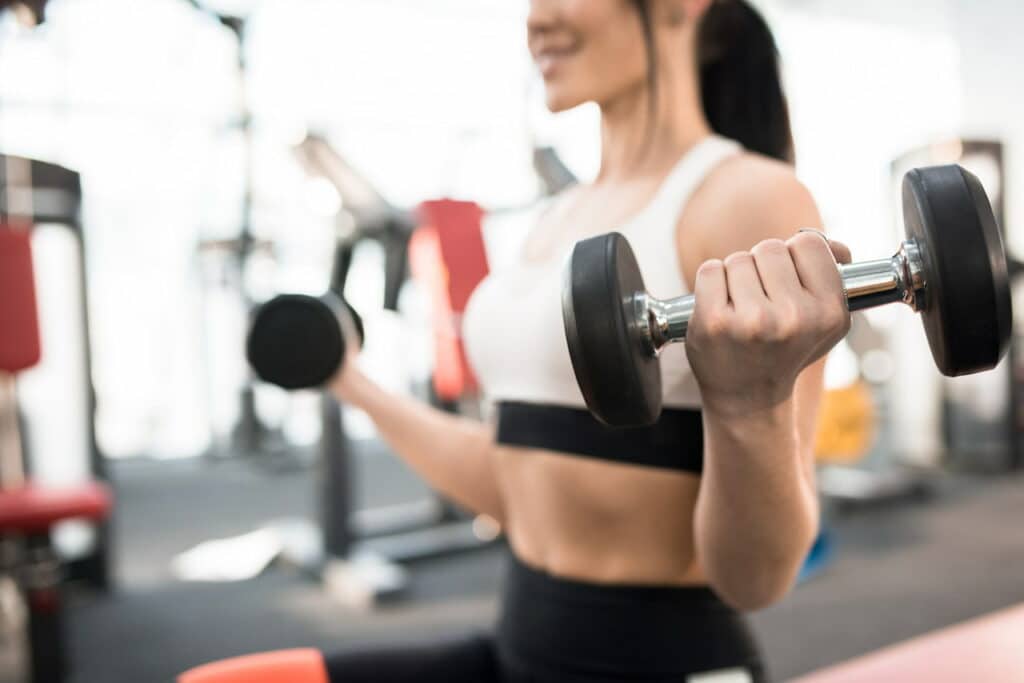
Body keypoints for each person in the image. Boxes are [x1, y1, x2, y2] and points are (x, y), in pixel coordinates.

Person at [327, 1, 851, 681]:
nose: (535, 19)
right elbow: (517, 479)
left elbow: (757, 578)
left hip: (657, 661)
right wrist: (350, 380)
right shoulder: (555, 219)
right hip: (521, 642)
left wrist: (752, 404)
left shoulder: (749, 197)